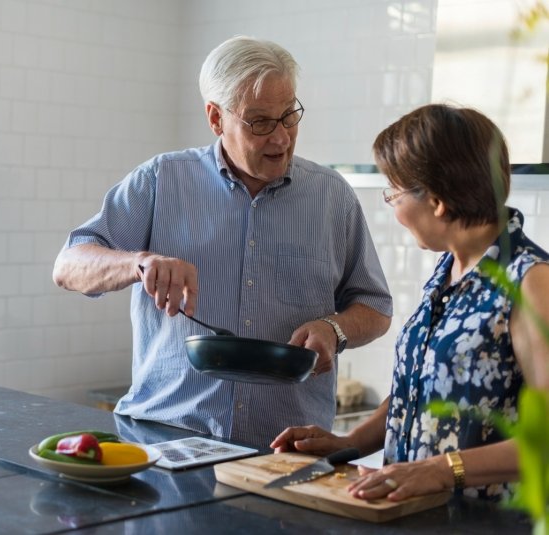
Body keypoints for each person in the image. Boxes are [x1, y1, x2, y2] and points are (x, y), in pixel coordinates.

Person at [53, 36, 393, 447]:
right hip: (167, 443)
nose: (282, 138)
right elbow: (68, 265)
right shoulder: (161, 180)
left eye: (289, 116)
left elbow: (375, 307)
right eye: (261, 122)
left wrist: (334, 328)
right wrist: (137, 263)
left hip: (285, 450)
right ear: (216, 118)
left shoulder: (332, 196)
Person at [271, 103, 549, 501]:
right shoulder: (448, 270)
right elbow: (418, 391)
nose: (394, 207)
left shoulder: (531, 283)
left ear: (436, 201)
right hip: (412, 517)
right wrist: (346, 443)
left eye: (395, 193)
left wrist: (441, 470)